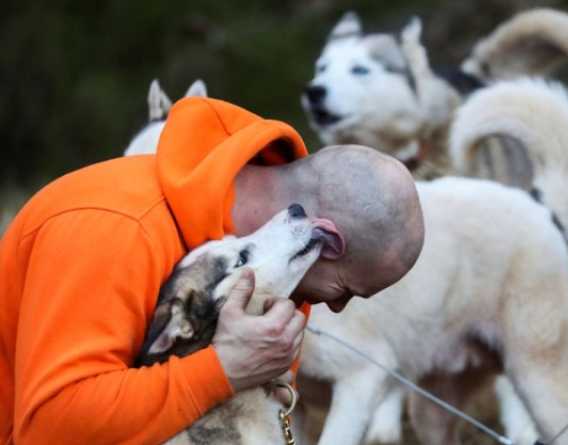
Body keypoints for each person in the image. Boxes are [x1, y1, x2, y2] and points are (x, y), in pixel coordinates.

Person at [0, 97, 424, 444]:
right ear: (325, 238)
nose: (335, 307)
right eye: (345, 288)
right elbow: (49, 429)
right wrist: (222, 371)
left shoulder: (280, 259)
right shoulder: (114, 228)